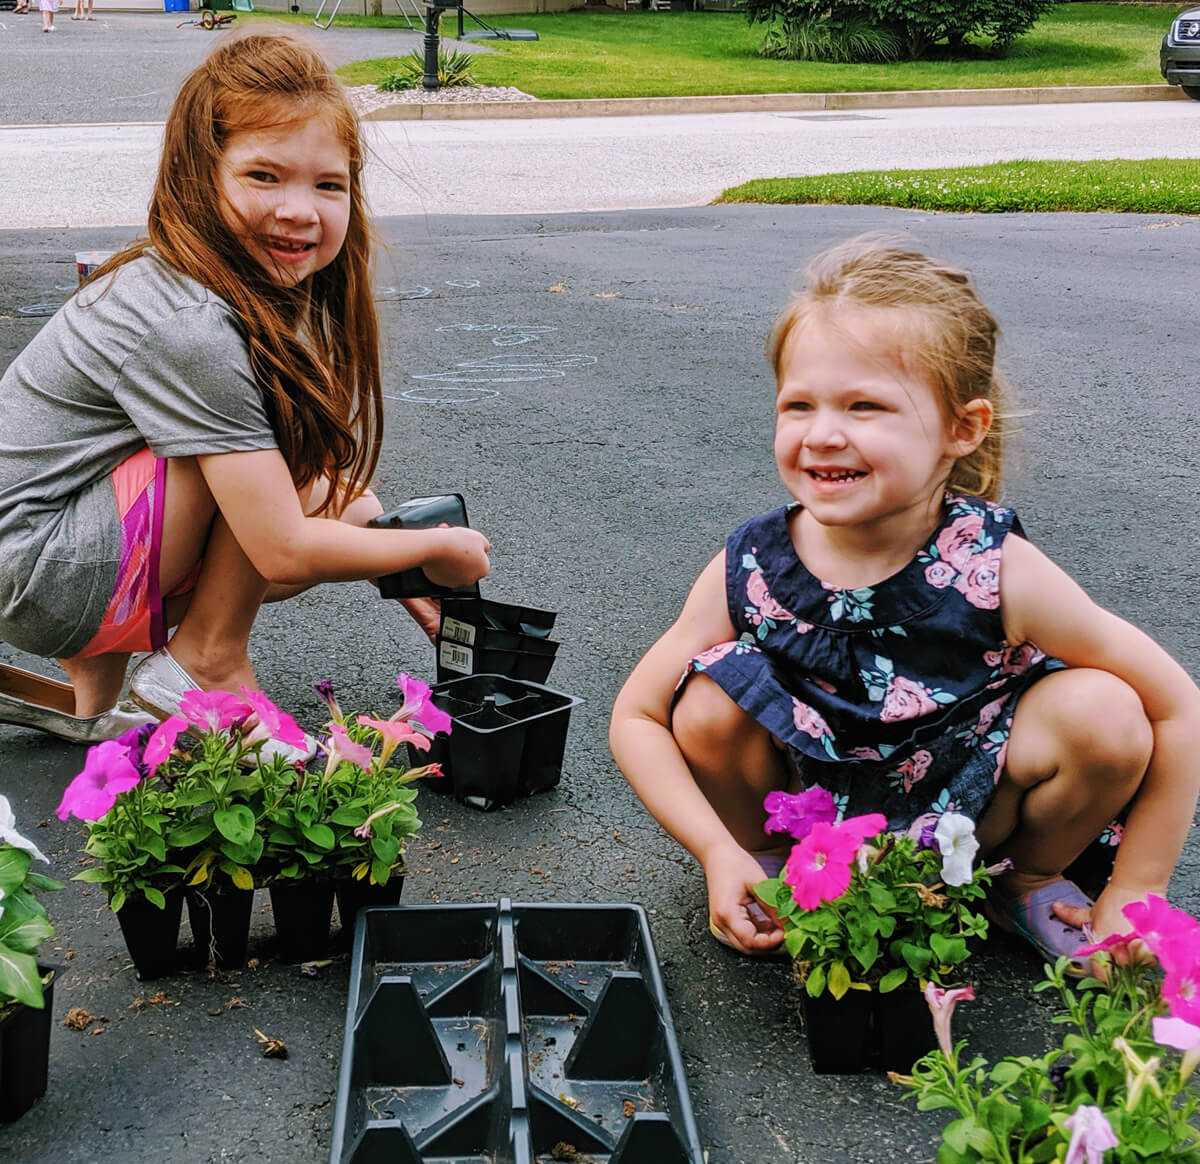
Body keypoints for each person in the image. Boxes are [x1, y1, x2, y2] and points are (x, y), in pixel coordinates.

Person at [609, 236, 1200, 966]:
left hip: (975, 815)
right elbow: (637, 716)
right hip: (810, 824)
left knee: (1106, 712)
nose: (824, 434)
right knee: (703, 700)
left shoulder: (997, 567)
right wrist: (714, 850)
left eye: (866, 406)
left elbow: (1176, 705)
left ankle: (1027, 878)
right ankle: (764, 870)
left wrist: (1139, 889)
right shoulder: (753, 561)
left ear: (963, 428)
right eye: (799, 404)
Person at [0, 33, 489, 750]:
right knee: (270, 454)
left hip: (45, 550)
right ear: (200, 177)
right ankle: (208, 660)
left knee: (338, 503)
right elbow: (283, 550)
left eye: (328, 184)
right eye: (265, 176)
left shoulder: (190, 283)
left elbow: (326, 515)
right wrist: (440, 547)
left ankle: (98, 702)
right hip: (38, 572)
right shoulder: (189, 325)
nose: (301, 210)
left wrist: (398, 562)